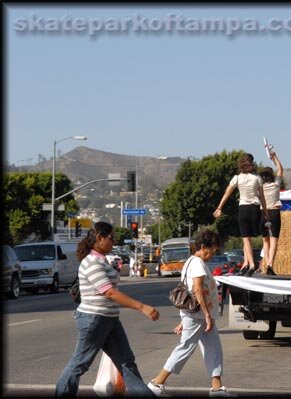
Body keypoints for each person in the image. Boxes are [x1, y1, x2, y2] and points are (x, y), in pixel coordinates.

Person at [55, 221, 160, 397]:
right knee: (80, 363)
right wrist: (142, 307)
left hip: (109, 319)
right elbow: (109, 293)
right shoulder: (91, 263)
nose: (114, 242)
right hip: (93, 319)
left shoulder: (101, 260)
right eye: (111, 238)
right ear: (100, 238)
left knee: (126, 363)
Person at [147, 229, 235, 397]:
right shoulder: (197, 263)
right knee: (185, 347)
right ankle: (157, 383)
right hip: (199, 316)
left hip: (197, 316)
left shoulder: (191, 262)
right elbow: (197, 289)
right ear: (203, 247)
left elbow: (187, 292)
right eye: (212, 250)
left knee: (213, 349)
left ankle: (217, 388)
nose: (213, 254)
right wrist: (207, 315)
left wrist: (188, 317)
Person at [213, 153, 268, 277]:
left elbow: (227, 193)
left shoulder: (237, 178)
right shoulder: (257, 178)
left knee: (246, 238)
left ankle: (251, 264)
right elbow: (262, 197)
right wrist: (265, 211)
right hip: (255, 209)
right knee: (255, 238)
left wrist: (219, 207)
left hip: (243, 209)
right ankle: (248, 264)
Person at [259, 150, 284, 276]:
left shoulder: (259, 188)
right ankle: (270, 265)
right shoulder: (276, 185)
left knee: (265, 241)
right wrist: (274, 157)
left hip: (262, 213)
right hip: (274, 213)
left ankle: (265, 264)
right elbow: (280, 169)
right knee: (274, 240)